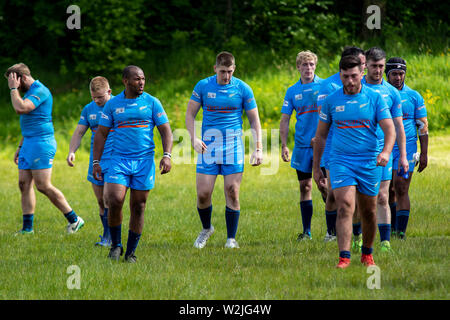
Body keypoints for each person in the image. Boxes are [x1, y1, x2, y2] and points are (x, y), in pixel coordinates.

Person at [313, 55, 396, 268]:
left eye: (353, 76)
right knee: (346, 206)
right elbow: (321, 136)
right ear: (340, 75)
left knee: (368, 211)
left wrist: (386, 152)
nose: (349, 81)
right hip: (340, 161)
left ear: (362, 73)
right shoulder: (331, 100)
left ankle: (367, 253)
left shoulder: (375, 98)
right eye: (345, 76)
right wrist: (317, 167)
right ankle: (344, 257)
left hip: (368, 162)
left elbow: (389, 129)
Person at [93, 65, 173, 262]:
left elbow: (165, 130)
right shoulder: (113, 105)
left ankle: (130, 253)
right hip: (118, 160)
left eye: (143, 79)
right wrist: (96, 161)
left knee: (139, 206)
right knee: (114, 200)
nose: (141, 82)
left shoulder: (152, 103)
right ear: (125, 81)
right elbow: (101, 134)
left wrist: (167, 155)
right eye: (137, 79)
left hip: (144, 162)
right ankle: (115, 245)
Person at [186, 51, 263, 249]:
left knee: (232, 191)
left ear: (234, 69)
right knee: (203, 194)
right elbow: (190, 114)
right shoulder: (203, 86)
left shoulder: (242, 88)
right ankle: (206, 228)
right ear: (215, 69)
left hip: (233, 147)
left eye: (229, 71)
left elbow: (254, 119)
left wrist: (258, 148)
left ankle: (231, 239)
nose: (226, 76)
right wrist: (194, 138)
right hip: (208, 148)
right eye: (222, 72)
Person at [5, 63, 84, 234]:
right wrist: (20, 145)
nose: (15, 86)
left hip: (42, 143)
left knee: (43, 185)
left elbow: (21, 108)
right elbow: (30, 123)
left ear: (23, 78)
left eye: (16, 82)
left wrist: (13, 89)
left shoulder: (40, 90)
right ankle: (27, 229)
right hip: (28, 142)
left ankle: (75, 220)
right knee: (24, 184)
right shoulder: (29, 92)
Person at [316, 46, 367, 243]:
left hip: (359, 150)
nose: (363, 67)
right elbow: (322, 123)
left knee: (354, 198)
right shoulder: (328, 88)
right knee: (332, 196)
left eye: (363, 64)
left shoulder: (366, 88)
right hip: (333, 148)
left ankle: (356, 234)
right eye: (360, 63)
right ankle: (332, 232)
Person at [362, 47, 408, 252]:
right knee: (360, 198)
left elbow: (398, 127)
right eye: (374, 66)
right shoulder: (356, 87)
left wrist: (403, 156)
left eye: (381, 66)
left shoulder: (391, 93)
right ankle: (356, 236)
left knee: (382, 196)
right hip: (359, 152)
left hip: (383, 152)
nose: (378, 70)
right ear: (365, 66)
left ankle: (385, 242)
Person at [280, 50, 324, 241]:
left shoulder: (324, 86)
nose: (308, 68)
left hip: (323, 145)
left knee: (325, 185)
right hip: (302, 147)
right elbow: (284, 119)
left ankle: (334, 228)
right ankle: (307, 232)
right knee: (305, 187)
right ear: (298, 67)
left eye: (311, 65)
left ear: (315, 66)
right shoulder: (292, 91)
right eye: (304, 65)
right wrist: (283, 145)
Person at [67, 76, 114, 246]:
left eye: (100, 97)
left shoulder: (118, 104)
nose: (97, 101)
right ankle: (106, 235)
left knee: (110, 199)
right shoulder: (89, 109)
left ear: (109, 92)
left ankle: (110, 238)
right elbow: (79, 132)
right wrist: (72, 151)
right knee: (101, 201)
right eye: (94, 97)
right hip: (96, 160)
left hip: (115, 158)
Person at [386, 57, 428, 240]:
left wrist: (424, 153)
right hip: (385, 147)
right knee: (387, 190)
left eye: (401, 73)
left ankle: (400, 233)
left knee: (401, 187)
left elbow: (423, 126)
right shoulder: (379, 94)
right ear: (387, 75)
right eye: (394, 74)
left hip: (408, 148)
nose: (398, 77)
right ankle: (392, 227)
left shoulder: (414, 96)